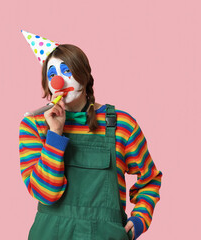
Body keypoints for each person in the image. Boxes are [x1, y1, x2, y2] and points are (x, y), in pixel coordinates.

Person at [19, 31, 163, 240]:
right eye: (52, 75)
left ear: (85, 76)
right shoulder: (34, 125)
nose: (58, 81)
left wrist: (140, 220)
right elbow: (45, 194)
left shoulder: (122, 124)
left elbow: (150, 178)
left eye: (67, 70)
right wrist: (55, 135)